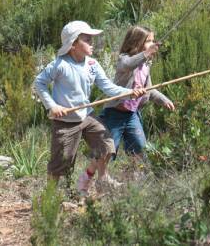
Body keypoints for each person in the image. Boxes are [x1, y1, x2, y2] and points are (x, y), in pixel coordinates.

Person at [34, 20, 146, 196]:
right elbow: (39, 83)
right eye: (87, 39)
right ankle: (50, 196)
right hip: (65, 121)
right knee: (62, 162)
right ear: (73, 45)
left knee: (107, 144)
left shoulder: (92, 64)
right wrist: (53, 106)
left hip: (87, 116)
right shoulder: (60, 65)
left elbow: (108, 87)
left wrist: (130, 92)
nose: (92, 43)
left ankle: (103, 179)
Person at [100, 26, 174, 173]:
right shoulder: (124, 59)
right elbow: (127, 65)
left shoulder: (146, 65)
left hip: (132, 115)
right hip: (115, 113)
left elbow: (149, 90)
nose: (152, 44)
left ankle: (134, 180)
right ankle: (98, 178)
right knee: (108, 150)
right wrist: (146, 53)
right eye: (148, 41)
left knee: (139, 147)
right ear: (136, 42)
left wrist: (164, 100)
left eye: (153, 41)